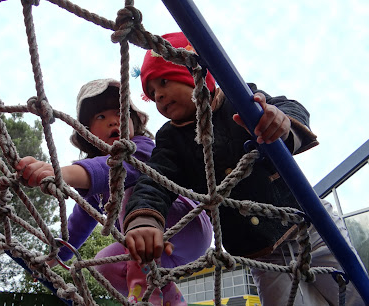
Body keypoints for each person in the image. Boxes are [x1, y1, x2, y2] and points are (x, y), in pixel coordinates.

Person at [123, 32, 365, 305]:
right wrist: (145, 219)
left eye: (164, 82)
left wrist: (280, 122)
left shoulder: (239, 98)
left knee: (354, 293)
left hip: (309, 226)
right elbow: (155, 181)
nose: (160, 96)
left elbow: (290, 106)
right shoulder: (171, 140)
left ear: (194, 72)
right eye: (152, 93)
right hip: (262, 255)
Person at [16, 78, 212, 305]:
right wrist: (50, 259)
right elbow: (76, 229)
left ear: (133, 121)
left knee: (126, 194)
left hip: (186, 225)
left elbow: (115, 170)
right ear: (86, 132)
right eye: (101, 117)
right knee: (102, 264)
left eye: (120, 113)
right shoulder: (93, 189)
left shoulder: (143, 147)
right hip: (156, 252)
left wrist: (61, 173)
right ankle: (169, 299)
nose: (113, 121)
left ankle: (144, 300)